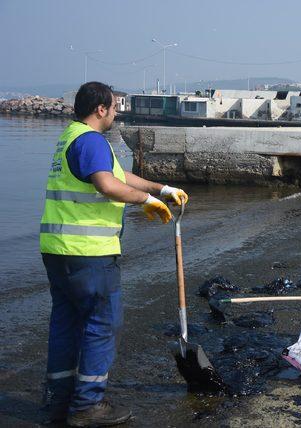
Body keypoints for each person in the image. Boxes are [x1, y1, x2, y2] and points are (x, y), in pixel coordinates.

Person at [40, 82, 189, 426]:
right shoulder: (92, 140)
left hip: (57, 251)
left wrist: (161, 189)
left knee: (65, 323)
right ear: (101, 109)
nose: (118, 112)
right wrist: (145, 201)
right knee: (101, 323)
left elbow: (118, 176)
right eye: (114, 106)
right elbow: (107, 186)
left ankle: (60, 398)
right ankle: (87, 405)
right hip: (89, 254)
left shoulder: (71, 136)